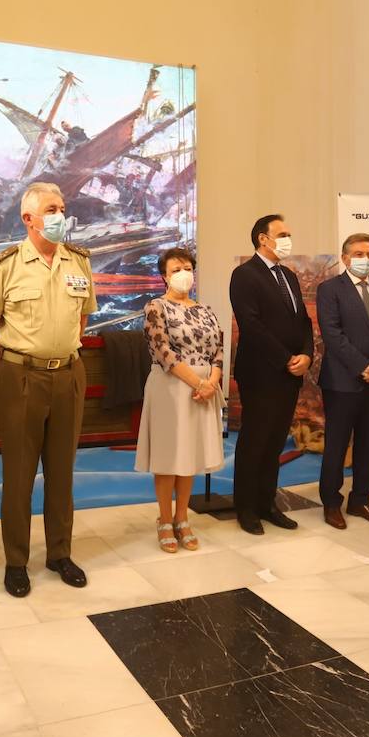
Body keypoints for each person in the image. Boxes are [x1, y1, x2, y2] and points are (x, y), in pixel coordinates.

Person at [0, 182, 97, 597]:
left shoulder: (78, 261)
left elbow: (81, 319)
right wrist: (17, 365)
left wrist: (58, 353)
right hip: (20, 377)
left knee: (62, 472)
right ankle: (16, 561)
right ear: (29, 219)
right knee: (20, 474)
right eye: (51, 208)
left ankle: (60, 553)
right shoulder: (5, 264)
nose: (60, 214)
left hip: (68, 374)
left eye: (62, 207)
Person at [135, 248, 225, 553]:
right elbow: (164, 352)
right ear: (164, 275)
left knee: (189, 457)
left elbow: (218, 350)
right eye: (176, 269)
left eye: (187, 267)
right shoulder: (155, 307)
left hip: (203, 390)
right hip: (171, 388)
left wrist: (212, 382)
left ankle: (183, 518)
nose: (183, 273)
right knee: (168, 457)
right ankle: (164, 520)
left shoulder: (205, 309)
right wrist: (198, 382)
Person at [228, 214, 313, 535]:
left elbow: (303, 321)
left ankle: (267, 503)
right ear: (263, 239)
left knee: (276, 441)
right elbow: (251, 325)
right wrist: (286, 358)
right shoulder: (244, 275)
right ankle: (246, 508)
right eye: (283, 233)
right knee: (254, 441)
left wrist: (306, 354)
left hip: (291, 373)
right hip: (261, 372)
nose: (288, 238)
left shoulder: (289, 276)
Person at [316, 234, 369, 529]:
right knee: (337, 445)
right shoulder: (330, 289)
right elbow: (333, 334)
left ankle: (361, 500)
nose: (365, 258)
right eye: (358, 253)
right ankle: (331, 503)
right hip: (342, 381)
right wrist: (365, 367)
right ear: (345, 258)